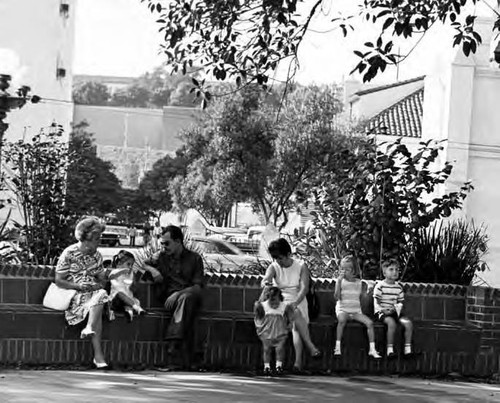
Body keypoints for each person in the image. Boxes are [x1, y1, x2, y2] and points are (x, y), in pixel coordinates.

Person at [55, 216, 126, 369]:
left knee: (100, 294)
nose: (99, 242)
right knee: (100, 300)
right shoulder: (69, 253)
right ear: (88, 239)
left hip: (94, 294)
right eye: (97, 239)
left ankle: (90, 332)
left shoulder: (97, 256)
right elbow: (59, 280)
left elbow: (101, 281)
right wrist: (79, 286)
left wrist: (108, 277)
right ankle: (98, 354)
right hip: (75, 297)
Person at [142, 225, 204, 364]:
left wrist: (177, 294)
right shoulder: (161, 256)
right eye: (162, 243)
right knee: (189, 310)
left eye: (167, 243)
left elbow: (197, 287)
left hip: (187, 295)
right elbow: (143, 264)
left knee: (187, 299)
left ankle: (173, 343)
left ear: (178, 241)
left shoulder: (194, 259)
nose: (164, 246)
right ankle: (190, 355)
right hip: (168, 296)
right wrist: (153, 271)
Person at [262, 238, 321, 373]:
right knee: (295, 315)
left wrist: (295, 302)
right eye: (275, 258)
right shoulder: (274, 267)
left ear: (289, 254)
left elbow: (304, 288)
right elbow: (266, 279)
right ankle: (309, 348)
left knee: (296, 320)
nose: (278, 261)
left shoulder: (301, 266)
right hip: (279, 301)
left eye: (281, 258)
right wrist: (266, 283)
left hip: (298, 299)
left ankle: (298, 363)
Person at [333, 255, 381, 358]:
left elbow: (362, 296)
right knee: (341, 321)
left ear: (354, 270)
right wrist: (339, 282)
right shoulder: (341, 281)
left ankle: (372, 349)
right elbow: (336, 297)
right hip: (343, 309)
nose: (344, 271)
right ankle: (337, 347)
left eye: (347, 269)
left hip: (355, 311)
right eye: (342, 269)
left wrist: (370, 289)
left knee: (370, 323)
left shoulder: (359, 283)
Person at [373, 259, 414, 357]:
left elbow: (400, 303)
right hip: (382, 312)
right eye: (391, 269)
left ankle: (407, 350)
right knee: (391, 323)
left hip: (395, 311)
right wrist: (384, 310)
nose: (395, 272)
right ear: (384, 272)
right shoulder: (380, 286)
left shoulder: (398, 288)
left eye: (397, 270)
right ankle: (390, 350)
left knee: (408, 324)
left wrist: (396, 309)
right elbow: (376, 303)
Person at [254, 286, 293, 376]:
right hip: (267, 331)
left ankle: (279, 366)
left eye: (275, 300)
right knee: (266, 349)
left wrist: (290, 324)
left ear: (279, 298)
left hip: (280, 332)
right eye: (271, 300)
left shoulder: (284, 306)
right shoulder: (263, 305)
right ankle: (266, 367)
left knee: (280, 349)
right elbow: (258, 315)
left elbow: (290, 316)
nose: (273, 303)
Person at [108, 250, 146, 322]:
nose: (130, 267)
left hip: (127, 301)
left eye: (132, 265)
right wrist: (122, 271)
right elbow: (110, 277)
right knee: (120, 294)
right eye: (128, 264)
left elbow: (134, 287)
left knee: (131, 301)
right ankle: (137, 308)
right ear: (119, 263)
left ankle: (129, 314)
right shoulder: (115, 271)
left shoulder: (131, 274)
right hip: (115, 300)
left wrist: (135, 281)